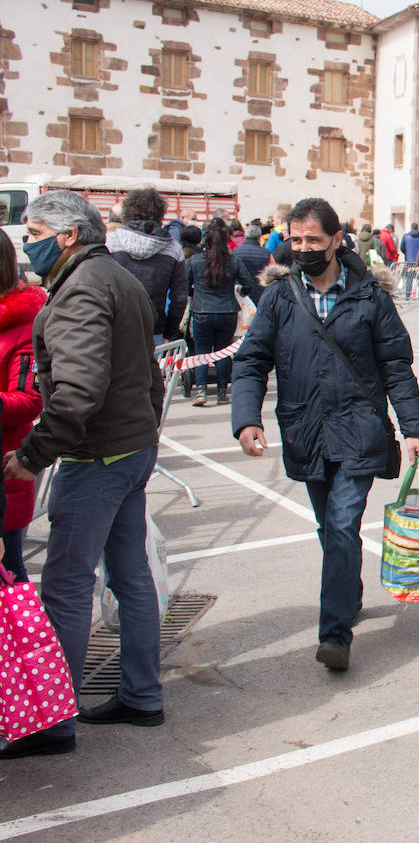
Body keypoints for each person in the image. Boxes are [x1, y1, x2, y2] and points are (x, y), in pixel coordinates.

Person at [1, 190, 165, 759]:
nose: (28, 241)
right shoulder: (116, 278)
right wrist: (147, 432)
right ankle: (141, 693)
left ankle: (53, 721)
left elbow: (77, 392)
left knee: (66, 585)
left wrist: (32, 454)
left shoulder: (82, 290)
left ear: (67, 236)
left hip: (97, 455)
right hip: (129, 445)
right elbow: (149, 372)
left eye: (34, 230)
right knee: (129, 573)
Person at [232, 197, 419, 672]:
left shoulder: (370, 298)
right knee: (330, 528)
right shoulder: (278, 298)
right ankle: (349, 589)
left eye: (313, 240)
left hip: (360, 429)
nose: (303, 248)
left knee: (342, 524)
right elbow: (252, 360)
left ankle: (335, 635)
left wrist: (414, 428)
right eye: (295, 240)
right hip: (306, 430)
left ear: (337, 240)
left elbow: (396, 366)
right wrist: (246, 418)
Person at [0, 234, 43, 583]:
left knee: (10, 574)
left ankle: (26, 640)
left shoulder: (22, 325)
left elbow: (30, 399)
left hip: (5, 472)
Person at [186, 221, 256, 406]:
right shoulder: (233, 261)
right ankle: (222, 392)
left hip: (202, 311)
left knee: (201, 351)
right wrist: (240, 293)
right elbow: (248, 284)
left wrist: (195, 294)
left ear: (205, 241)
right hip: (227, 311)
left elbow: (185, 287)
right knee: (223, 352)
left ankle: (201, 390)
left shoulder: (194, 261)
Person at [106, 187, 187, 345]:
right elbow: (179, 298)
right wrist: (169, 332)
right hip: (153, 328)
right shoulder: (173, 249)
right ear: (160, 214)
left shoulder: (109, 242)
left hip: (113, 325)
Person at [234, 222, 273, 305]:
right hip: (261, 293)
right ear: (259, 237)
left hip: (241, 293)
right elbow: (272, 274)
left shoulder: (235, 252)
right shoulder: (267, 253)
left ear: (245, 236)